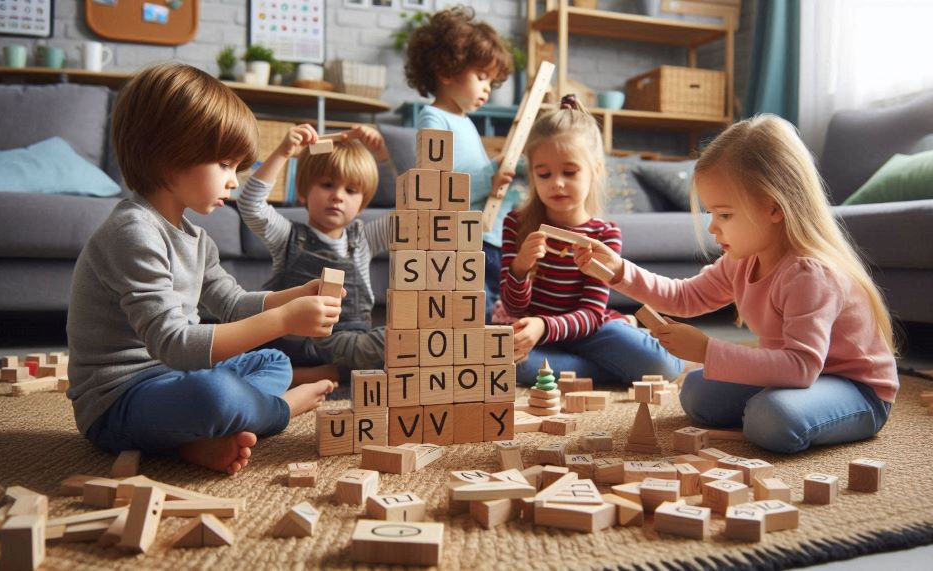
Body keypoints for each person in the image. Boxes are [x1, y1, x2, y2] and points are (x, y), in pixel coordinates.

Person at [67, 63, 340, 475]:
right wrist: (284, 320)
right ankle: (275, 411)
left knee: (275, 364)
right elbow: (174, 344)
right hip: (119, 401)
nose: (233, 182)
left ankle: (194, 441)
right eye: (226, 164)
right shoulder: (133, 232)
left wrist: (296, 296)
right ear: (168, 154)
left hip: (177, 377)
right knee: (216, 394)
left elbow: (231, 303)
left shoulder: (195, 237)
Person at [575, 114, 898, 454]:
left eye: (724, 214)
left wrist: (705, 351)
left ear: (773, 208)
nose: (713, 227)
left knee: (771, 418)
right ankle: (774, 402)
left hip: (856, 389)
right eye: (711, 214)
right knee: (698, 392)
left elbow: (801, 367)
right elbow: (684, 297)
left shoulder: (809, 274)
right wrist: (617, 270)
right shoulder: (741, 261)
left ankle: (780, 406)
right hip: (797, 375)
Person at [501, 95, 684, 385]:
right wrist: (520, 267)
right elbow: (512, 307)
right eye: (544, 174)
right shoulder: (516, 223)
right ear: (532, 174)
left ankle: (586, 368)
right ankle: (606, 372)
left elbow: (590, 313)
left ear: (595, 171)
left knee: (663, 367)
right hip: (537, 333)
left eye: (570, 172)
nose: (556, 183)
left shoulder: (604, 234)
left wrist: (543, 326)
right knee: (507, 366)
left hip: (588, 329)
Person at [238, 124, 391, 376]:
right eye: (327, 185)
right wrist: (283, 152)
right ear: (302, 191)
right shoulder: (286, 235)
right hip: (292, 340)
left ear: (363, 204)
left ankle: (305, 374)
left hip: (347, 341)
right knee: (239, 341)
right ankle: (325, 373)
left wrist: (383, 157)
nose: (338, 196)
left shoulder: (365, 239)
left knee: (401, 339)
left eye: (350, 190)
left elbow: (415, 213)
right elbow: (250, 204)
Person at [405, 5, 517, 321]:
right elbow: (436, 189)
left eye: (491, 82)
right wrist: (489, 177)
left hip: (489, 238)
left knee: (495, 312)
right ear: (447, 71)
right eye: (481, 77)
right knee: (474, 314)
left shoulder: (465, 121)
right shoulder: (434, 119)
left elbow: (478, 179)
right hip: (464, 240)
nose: (486, 89)